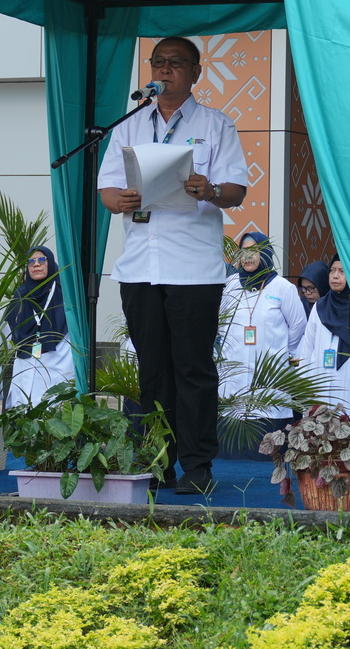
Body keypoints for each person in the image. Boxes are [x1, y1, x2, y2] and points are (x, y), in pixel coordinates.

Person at [97, 35, 249, 495]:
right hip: (140, 266)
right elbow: (107, 189)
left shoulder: (216, 125)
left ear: (196, 72)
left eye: (175, 63)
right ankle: (157, 461)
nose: (164, 70)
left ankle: (198, 465)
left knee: (193, 368)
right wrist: (118, 199)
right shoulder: (129, 125)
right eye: (158, 62)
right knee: (152, 369)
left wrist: (210, 190)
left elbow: (237, 191)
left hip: (194, 270)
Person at [217, 233, 306, 417]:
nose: (248, 257)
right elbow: (221, 323)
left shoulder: (282, 287)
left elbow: (298, 326)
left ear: (265, 253)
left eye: (254, 251)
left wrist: (279, 351)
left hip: (269, 378)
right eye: (244, 252)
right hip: (233, 377)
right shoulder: (230, 285)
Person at [4, 245, 75, 406]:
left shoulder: (63, 293)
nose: (36, 264)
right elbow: (12, 327)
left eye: (42, 260)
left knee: (53, 404)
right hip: (26, 359)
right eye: (31, 261)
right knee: (23, 404)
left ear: (50, 263)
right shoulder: (21, 294)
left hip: (58, 357)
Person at [297, 254, 350, 410]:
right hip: (319, 379)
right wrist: (303, 384)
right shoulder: (320, 306)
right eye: (332, 270)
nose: (335, 276)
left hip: (349, 379)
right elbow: (308, 347)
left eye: (342, 271)